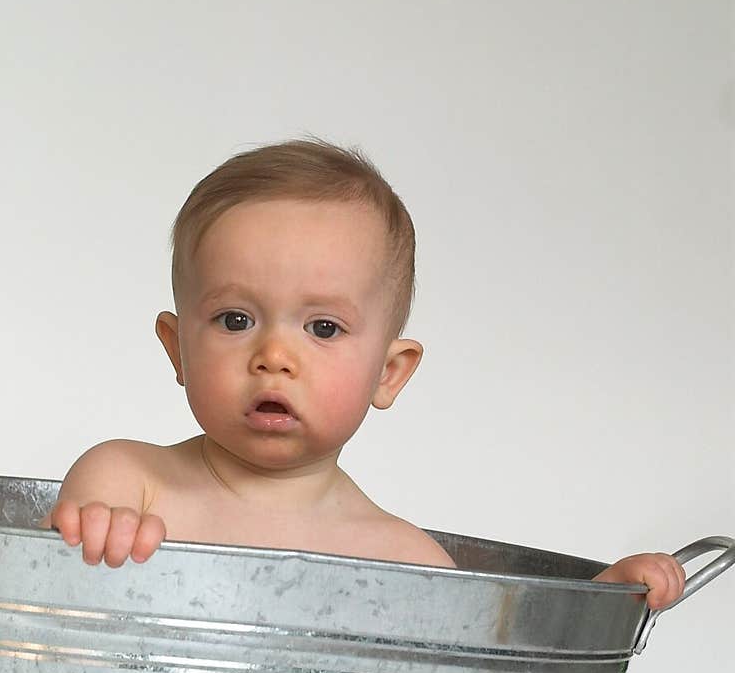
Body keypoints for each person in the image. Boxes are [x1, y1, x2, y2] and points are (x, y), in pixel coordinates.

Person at [41, 139, 685, 611]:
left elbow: (504, 654)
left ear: (389, 373)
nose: (274, 355)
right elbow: (38, 589)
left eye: (323, 328)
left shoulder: (400, 557)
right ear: (178, 350)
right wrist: (96, 535)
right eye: (235, 319)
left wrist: (602, 602)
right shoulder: (130, 480)